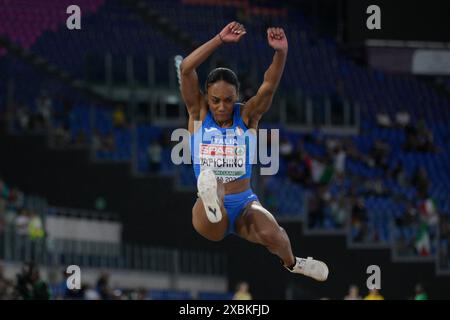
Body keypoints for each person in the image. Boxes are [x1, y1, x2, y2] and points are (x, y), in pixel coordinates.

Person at [180, 21, 328, 281]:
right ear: (207, 96)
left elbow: (269, 86)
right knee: (213, 189)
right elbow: (186, 68)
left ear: (237, 95)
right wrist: (219, 39)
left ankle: (294, 263)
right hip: (209, 212)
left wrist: (281, 52)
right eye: (215, 100)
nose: (222, 106)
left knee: (276, 235)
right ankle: (212, 198)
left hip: (245, 202)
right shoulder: (198, 113)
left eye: (228, 100)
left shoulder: (247, 115)